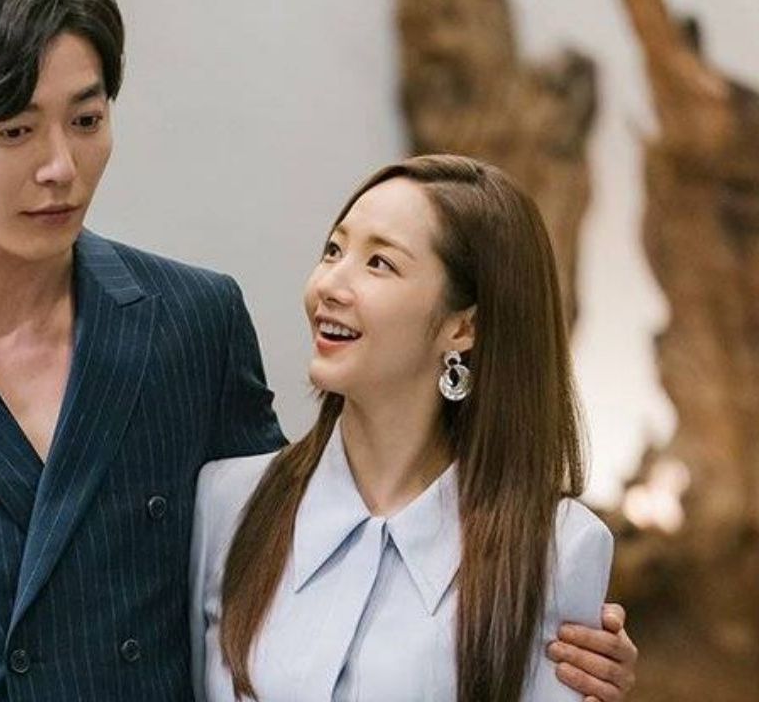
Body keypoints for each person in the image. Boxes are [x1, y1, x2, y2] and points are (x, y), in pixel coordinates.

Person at [0, 0, 636, 701]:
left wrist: (546, 645)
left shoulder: (191, 323)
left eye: (86, 119)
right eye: (15, 131)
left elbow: (294, 574)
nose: (62, 167)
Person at [191, 155, 635, 701]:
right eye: (333, 250)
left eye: (379, 263)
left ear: (463, 327)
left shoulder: (559, 549)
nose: (330, 284)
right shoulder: (227, 504)